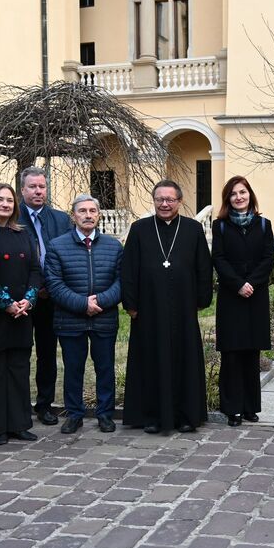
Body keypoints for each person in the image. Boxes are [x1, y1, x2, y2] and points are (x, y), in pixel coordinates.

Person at [122, 180, 213, 433]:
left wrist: (201, 301)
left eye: (170, 199)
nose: (164, 204)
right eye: (160, 199)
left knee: (185, 361)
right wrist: (130, 305)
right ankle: (151, 417)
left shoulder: (193, 229)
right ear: (154, 200)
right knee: (150, 361)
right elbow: (128, 269)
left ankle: (187, 416)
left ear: (179, 201)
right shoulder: (139, 229)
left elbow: (203, 268)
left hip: (184, 309)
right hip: (148, 310)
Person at [44, 195, 123, 435]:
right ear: (73, 216)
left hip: (104, 318)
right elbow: (54, 284)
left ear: (98, 215)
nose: (88, 215)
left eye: (92, 211)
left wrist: (100, 301)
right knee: (73, 369)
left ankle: (105, 414)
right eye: (82, 211)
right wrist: (82, 304)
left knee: (105, 369)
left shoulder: (114, 246)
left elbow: (121, 282)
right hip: (70, 320)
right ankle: (74, 414)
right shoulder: (57, 246)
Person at [0, 183, 43, 445]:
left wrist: (29, 298)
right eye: (0, 200)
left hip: (23, 313)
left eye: (10, 201)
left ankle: (19, 423)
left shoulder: (22, 233)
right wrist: (5, 303)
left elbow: (35, 270)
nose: (5, 204)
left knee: (19, 368)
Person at [211, 177, 274, 427]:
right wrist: (238, 284)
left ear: (250, 194)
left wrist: (252, 283)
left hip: (256, 296)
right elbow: (218, 258)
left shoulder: (264, 224)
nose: (239, 197)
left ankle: (250, 407)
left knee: (251, 352)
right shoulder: (221, 226)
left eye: (243, 192)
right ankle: (232, 409)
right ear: (228, 199)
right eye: (234, 194)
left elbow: (268, 258)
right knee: (232, 354)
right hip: (231, 296)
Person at [18, 166, 72, 426]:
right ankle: (17, 406)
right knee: (19, 353)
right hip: (20, 299)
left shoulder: (61, 219)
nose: (38, 191)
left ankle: (44, 405)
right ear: (22, 189)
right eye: (33, 186)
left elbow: (66, 256)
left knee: (47, 353)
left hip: (52, 298)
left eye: (42, 186)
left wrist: (53, 286)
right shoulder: (11, 216)